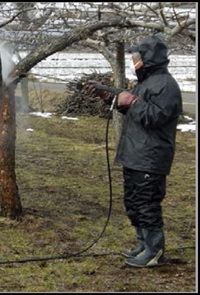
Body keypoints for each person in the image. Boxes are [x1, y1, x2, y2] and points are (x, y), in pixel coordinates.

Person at [86, 35, 183, 268]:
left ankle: (154, 251)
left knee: (147, 205)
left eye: (136, 56)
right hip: (135, 155)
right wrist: (110, 96)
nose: (133, 60)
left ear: (149, 58)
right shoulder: (146, 82)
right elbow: (136, 113)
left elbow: (155, 117)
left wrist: (131, 101)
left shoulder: (166, 85)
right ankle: (143, 244)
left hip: (150, 157)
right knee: (134, 203)